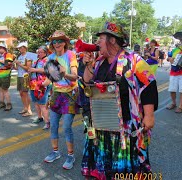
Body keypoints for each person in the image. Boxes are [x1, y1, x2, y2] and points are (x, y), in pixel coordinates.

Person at [81, 22, 158, 179]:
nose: (97, 43)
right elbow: (87, 83)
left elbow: (149, 85)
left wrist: (149, 115)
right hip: (104, 122)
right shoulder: (100, 62)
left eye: (100, 38)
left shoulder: (133, 60)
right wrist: (88, 65)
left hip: (126, 123)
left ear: (112, 40)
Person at [42, 30, 79, 170]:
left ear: (65, 42)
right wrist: (44, 89)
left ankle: (70, 155)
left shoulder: (71, 55)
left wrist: (65, 73)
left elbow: (75, 76)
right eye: (54, 41)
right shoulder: (50, 58)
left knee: (67, 126)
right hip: (56, 94)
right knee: (54, 125)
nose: (57, 43)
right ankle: (55, 152)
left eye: (60, 41)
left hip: (70, 93)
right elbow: (50, 79)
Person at [28, 46, 52, 129]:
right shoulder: (37, 60)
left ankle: (47, 122)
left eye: (40, 52)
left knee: (42, 104)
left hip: (43, 84)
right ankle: (39, 117)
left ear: (45, 52)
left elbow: (48, 70)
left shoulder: (48, 60)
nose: (38, 54)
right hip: (34, 84)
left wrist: (35, 70)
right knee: (36, 102)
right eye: (38, 52)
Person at [15, 42, 36, 116]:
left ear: (25, 48)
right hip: (19, 76)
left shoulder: (28, 56)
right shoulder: (19, 56)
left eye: (21, 47)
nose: (19, 49)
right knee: (21, 93)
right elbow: (17, 68)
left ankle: (29, 110)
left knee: (25, 93)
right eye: (19, 48)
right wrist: (13, 65)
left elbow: (28, 68)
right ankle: (25, 108)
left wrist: (19, 64)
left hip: (25, 76)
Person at [0, 44, 14, 111]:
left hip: (4, 75)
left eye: (0, 48)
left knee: (5, 90)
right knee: (0, 89)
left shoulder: (8, 54)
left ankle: (9, 104)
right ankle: (2, 103)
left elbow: (8, 63)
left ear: (4, 48)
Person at [166, 32, 182, 113]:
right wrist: (169, 59)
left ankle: (180, 106)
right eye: (179, 39)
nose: (180, 40)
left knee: (181, 90)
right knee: (172, 89)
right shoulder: (175, 49)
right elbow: (168, 58)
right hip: (173, 72)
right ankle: (174, 103)